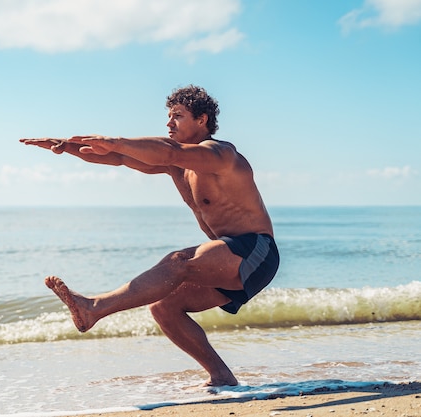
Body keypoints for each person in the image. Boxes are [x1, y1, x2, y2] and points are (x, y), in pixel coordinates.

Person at [20, 85, 279, 387]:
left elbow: (168, 150)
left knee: (179, 261)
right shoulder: (177, 167)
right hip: (229, 258)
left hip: (256, 251)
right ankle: (221, 376)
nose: (169, 123)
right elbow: (118, 158)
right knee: (163, 306)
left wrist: (115, 140)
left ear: (202, 120)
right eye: (168, 116)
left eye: (178, 116)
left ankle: (95, 307)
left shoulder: (222, 155)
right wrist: (66, 146)